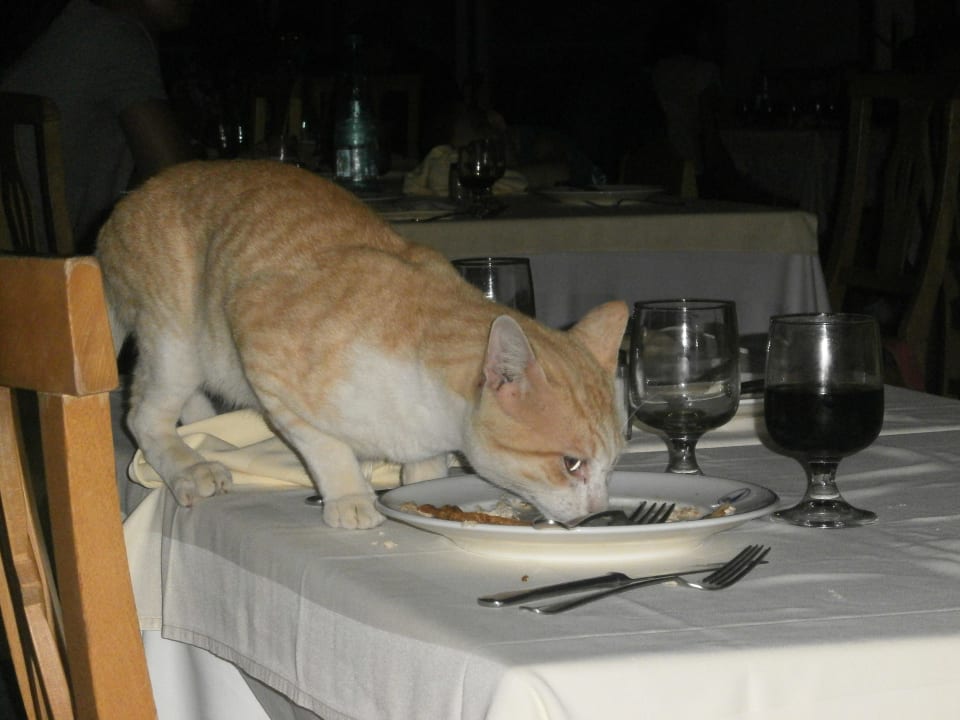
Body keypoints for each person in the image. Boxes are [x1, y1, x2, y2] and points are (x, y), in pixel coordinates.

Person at [1, 0, 197, 252]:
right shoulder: (118, 37)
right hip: (54, 273)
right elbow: (179, 182)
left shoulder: (73, 28)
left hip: (16, 264)